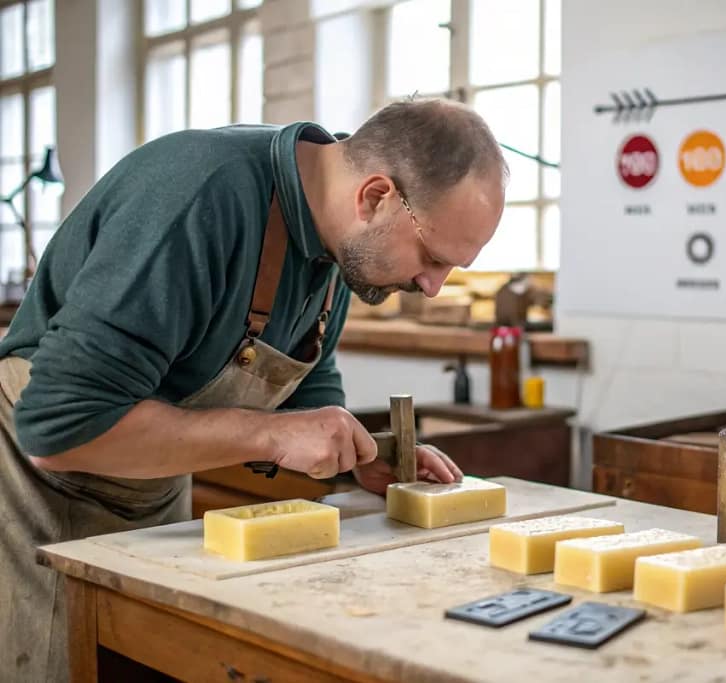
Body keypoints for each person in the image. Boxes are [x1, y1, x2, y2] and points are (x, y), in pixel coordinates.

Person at [0, 98, 508, 682]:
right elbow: (60, 428)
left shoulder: (339, 244)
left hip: (150, 482)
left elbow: (306, 385)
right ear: (375, 197)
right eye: (432, 256)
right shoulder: (198, 198)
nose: (434, 286)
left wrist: (362, 455)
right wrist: (268, 435)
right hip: (43, 484)